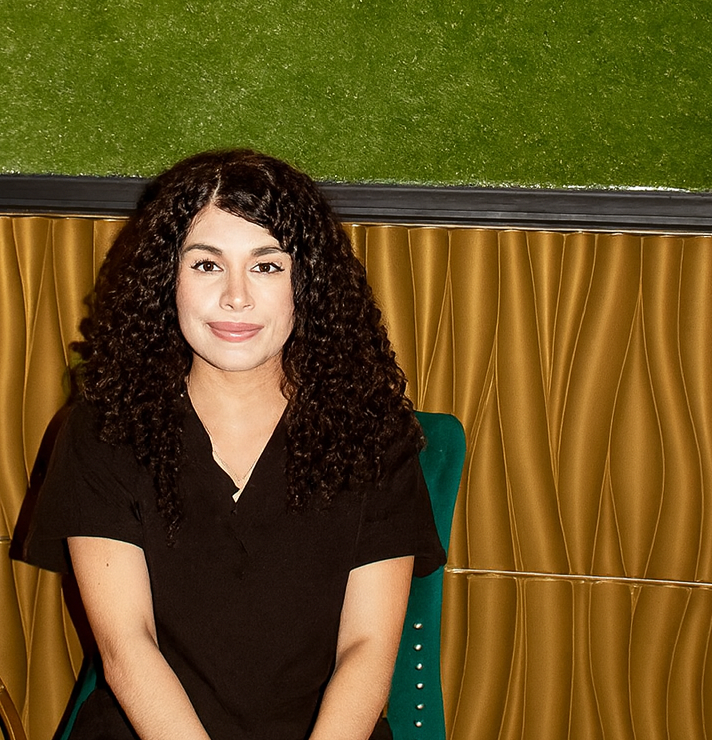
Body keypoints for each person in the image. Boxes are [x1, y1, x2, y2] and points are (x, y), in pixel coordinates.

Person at [24, 149, 444, 740]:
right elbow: (127, 647)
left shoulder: (372, 435)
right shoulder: (103, 431)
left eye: (267, 266)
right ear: (166, 280)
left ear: (308, 283)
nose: (236, 298)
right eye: (206, 265)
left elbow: (367, 648)